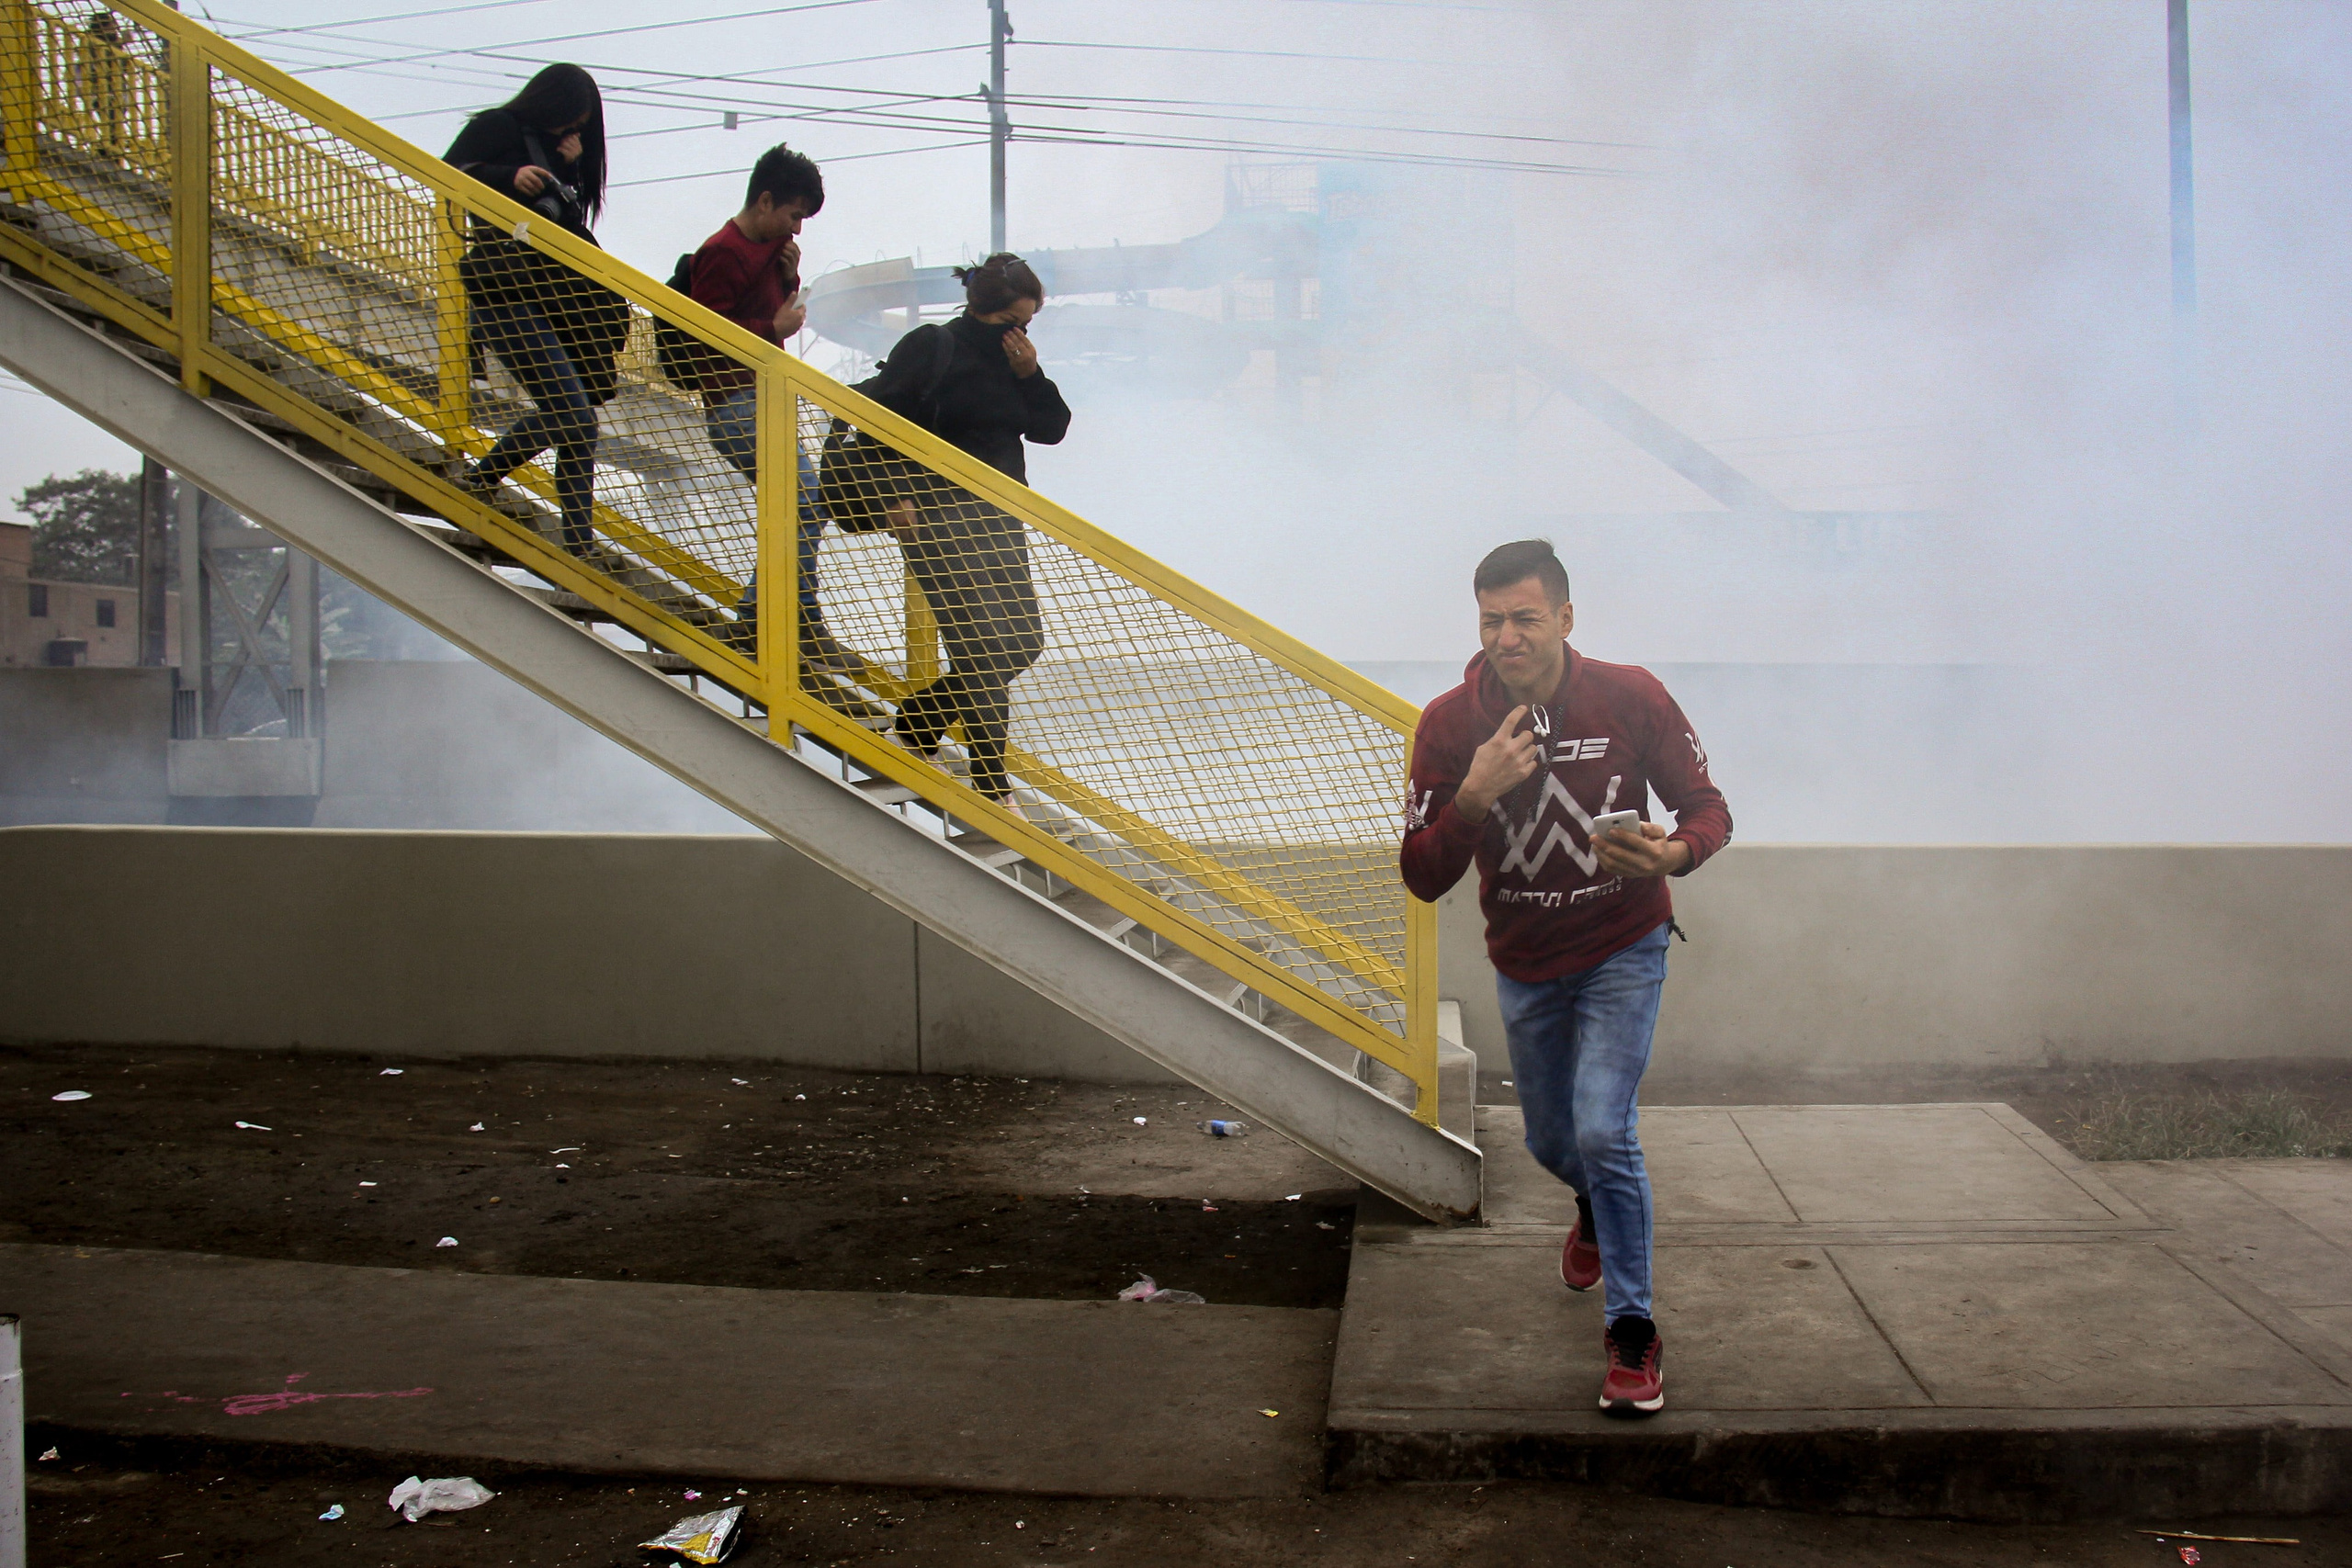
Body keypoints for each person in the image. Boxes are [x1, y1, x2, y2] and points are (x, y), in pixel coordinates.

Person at [1398, 538, 1732, 1417]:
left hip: (1625, 943)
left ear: (1566, 618)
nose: (1508, 638)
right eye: (1491, 621)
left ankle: (1633, 1334)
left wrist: (1671, 851)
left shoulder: (1630, 695)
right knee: (1554, 1142)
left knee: (1604, 1127)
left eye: (1526, 619)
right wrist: (1472, 797)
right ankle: (1591, 1204)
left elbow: (1709, 810)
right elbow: (1422, 874)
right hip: (1527, 962)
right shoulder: (1446, 724)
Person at [862, 254, 1069, 804]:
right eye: (1014, 323)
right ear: (985, 311)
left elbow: (1052, 428)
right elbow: (873, 420)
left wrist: (1031, 373)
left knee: (1023, 640)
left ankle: (917, 723)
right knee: (980, 646)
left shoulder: (1014, 363)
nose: (1021, 334)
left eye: (1030, 324)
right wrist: (892, 495)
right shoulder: (935, 347)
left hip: (998, 518)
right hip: (935, 515)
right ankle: (990, 786)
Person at [680, 142, 854, 671]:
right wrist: (770, 330)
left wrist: (788, 278)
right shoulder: (723, 251)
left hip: (763, 400)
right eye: (794, 214)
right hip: (734, 403)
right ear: (765, 200)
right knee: (804, 500)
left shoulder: (768, 250)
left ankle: (761, 618)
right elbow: (702, 333)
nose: (797, 228)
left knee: (802, 505)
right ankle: (798, 623)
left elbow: (769, 309)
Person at [444, 63, 628, 560]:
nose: (571, 133)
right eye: (568, 121)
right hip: (503, 293)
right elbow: (447, 174)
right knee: (574, 416)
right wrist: (510, 176)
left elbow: (566, 222)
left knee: (576, 420)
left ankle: (577, 547)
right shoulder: (499, 129)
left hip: (548, 301)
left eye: (580, 128)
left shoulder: (564, 154)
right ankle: (483, 482)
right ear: (549, 103)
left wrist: (573, 168)